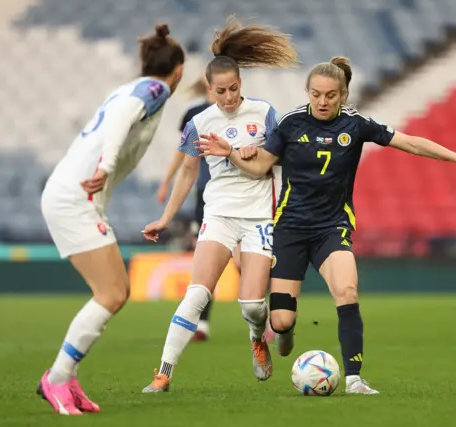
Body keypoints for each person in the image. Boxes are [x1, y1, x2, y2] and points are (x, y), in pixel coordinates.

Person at [197, 56, 456, 395]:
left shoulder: (356, 125)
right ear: (307, 92)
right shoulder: (291, 123)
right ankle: (285, 330)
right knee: (281, 321)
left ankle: (354, 378)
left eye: (331, 95)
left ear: (344, 94)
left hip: (331, 227)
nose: (322, 102)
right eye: (316, 94)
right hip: (290, 230)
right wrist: (231, 153)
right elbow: (261, 165)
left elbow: (410, 142)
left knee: (347, 291)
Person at [140, 16, 298, 393]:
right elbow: (188, 172)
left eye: (233, 89)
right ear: (207, 89)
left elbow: (278, 159)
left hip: (259, 217)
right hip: (219, 215)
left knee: (252, 306)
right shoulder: (199, 122)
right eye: (219, 91)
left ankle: (257, 338)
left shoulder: (263, 113)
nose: (227, 98)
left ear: (240, 84)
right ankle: (163, 374)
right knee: (196, 293)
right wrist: (165, 217)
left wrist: (256, 151)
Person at [38, 24, 185, 415]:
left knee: (114, 292)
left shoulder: (127, 89)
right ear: (179, 70)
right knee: (114, 292)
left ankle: (66, 376)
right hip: (75, 196)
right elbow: (121, 118)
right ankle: (55, 378)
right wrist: (105, 166)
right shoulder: (153, 90)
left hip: (74, 195)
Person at [156, 76, 227, 341]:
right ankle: (203, 323)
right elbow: (182, 153)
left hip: (236, 196)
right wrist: (166, 180)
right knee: (206, 259)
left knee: (245, 262)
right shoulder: (194, 115)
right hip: (205, 195)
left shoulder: (239, 114)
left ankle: (262, 315)